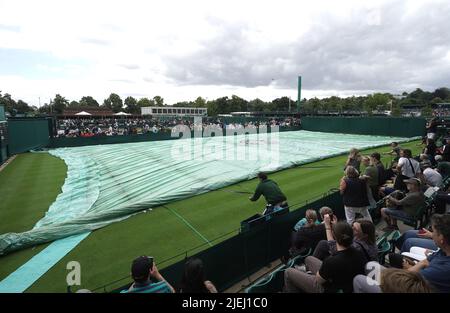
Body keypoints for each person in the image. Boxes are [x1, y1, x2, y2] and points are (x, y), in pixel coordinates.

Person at [284, 221, 366, 293]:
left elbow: (318, 280)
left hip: (330, 289)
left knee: (288, 272)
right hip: (341, 282)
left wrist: (317, 275)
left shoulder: (331, 261)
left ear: (335, 236)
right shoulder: (359, 251)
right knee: (308, 259)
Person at [313, 216, 378, 264]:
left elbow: (334, 248)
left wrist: (328, 227)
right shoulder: (367, 238)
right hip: (358, 264)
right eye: (352, 225)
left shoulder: (357, 246)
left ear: (365, 235)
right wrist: (336, 227)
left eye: (355, 229)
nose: (351, 228)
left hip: (355, 270)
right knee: (323, 244)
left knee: (323, 244)